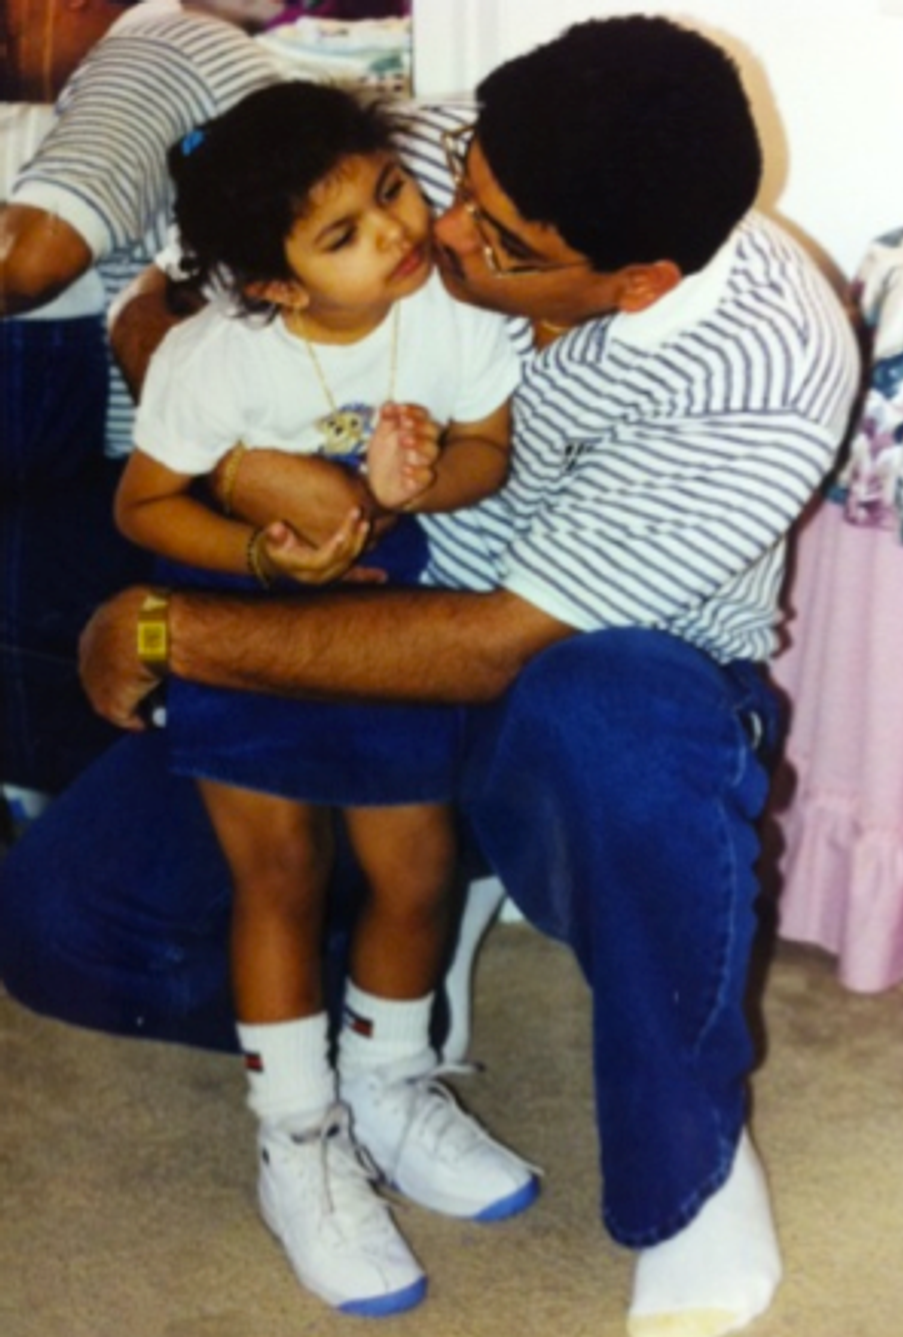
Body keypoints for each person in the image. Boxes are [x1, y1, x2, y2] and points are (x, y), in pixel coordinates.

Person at [0, 16, 861, 1337]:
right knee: (62, 929)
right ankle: (371, 1027)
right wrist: (243, 465)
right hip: (338, 612)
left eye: (495, 236)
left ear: (634, 283)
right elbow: (209, 264)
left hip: (559, 674)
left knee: (616, 726)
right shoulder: (460, 169)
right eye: (455, 183)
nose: (439, 235)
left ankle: (687, 1164)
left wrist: (172, 629)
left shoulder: (763, 369)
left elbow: (495, 641)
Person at [114, 80, 532, 1316]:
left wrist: (410, 487)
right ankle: (297, 1135)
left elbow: (487, 448)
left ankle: (389, 1084)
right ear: (278, 285)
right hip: (242, 614)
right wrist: (259, 556)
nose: (395, 232)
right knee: (280, 873)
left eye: (392, 192)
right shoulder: (212, 356)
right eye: (343, 233)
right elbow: (145, 505)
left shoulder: (447, 306)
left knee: (415, 864)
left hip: (384, 614)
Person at [0, 0, 281, 794]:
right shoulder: (177, 52)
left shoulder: (154, 51)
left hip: (200, 480)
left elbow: (29, 262)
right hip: (189, 453)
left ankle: (122, 805)